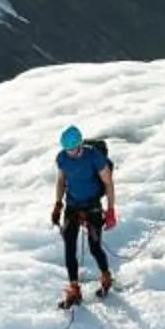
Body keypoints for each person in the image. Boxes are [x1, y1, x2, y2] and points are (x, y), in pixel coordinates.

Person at [50, 123, 116, 305]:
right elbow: (61, 181)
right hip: (72, 205)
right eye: (67, 149)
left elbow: (108, 183)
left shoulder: (94, 156)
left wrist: (110, 210)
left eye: (73, 148)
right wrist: (58, 204)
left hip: (92, 205)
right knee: (69, 246)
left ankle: (106, 276)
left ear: (80, 144)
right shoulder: (62, 158)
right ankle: (74, 288)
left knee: (94, 246)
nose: (70, 153)